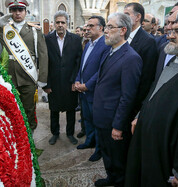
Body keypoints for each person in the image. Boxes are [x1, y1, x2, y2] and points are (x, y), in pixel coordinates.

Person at [125, 3, 178, 187]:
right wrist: (141, 115)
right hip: (148, 143)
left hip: (168, 155)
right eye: (172, 29)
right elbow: (155, 91)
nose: (171, 35)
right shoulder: (174, 58)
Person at [0, 0, 48, 131]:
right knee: (10, 109)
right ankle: (14, 136)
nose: (17, 13)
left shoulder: (34, 31)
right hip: (8, 76)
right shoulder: (3, 29)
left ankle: (29, 135)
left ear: (25, 12)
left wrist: (43, 78)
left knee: (29, 109)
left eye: (20, 10)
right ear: (10, 12)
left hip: (28, 77)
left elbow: (43, 55)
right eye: (14, 10)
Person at [93, 12, 142, 187]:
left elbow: (127, 97)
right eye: (105, 27)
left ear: (122, 30)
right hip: (102, 116)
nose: (105, 31)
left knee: (118, 159)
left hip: (113, 121)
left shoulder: (131, 58)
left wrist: (118, 126)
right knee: (107, 154)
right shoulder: (110, 51)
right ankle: (111, 178)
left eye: (109, 27)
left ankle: (119, 182)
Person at [75, 16, 110, 162]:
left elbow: (102, 70)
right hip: (83, 91)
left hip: (95, 92)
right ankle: (90, 141)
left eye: (91, 25)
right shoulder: (88, 43)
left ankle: (99, 149)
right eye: (86, 25)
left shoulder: (106, 44)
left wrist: (87, 85)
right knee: (87, 118)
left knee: (97, 122)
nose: (87, 28)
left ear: (100, 28)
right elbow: (83, 66)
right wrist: (78, 79)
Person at [44, 10, 82, 145]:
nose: (60, 25)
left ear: (67, 24)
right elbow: (44, 63)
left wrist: (75, 81)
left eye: (63, 22)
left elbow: (78, 62)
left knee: (71, 109)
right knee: (54, 109)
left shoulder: (76, 39)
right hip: (53, 82)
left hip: (69, 81)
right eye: (58, 22)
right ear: (54, 24)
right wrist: (46, 84)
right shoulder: (46, 39)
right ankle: (55, 133)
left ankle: (70, 133)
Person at [123, 2, 158, 117]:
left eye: (127, 14)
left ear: (138, 17)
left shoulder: (148, 41)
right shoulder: (121, 36)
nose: (123, 18)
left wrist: (135, 107)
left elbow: (146, 78)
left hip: (131, 103)